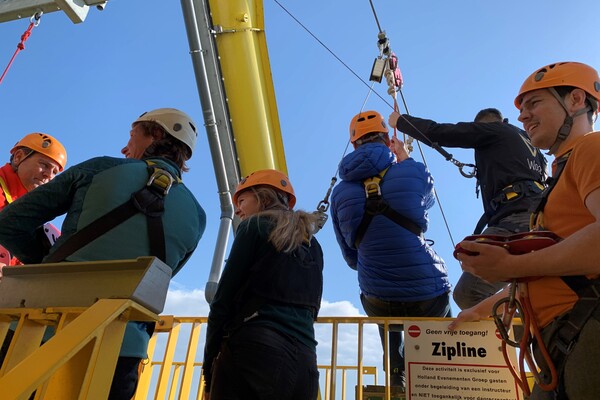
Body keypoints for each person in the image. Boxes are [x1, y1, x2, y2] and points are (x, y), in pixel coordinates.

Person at [0, 108, 206, 400]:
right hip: (121, 357)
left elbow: (8, 224)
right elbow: (158, 277)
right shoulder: (198, 217)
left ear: (156, 135)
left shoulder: (100, 169)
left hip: (39, 335)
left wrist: (47, 266)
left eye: (132, 136)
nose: (125, 147)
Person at [451, 61, 600, 399]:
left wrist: (511, 267)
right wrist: (478, 309)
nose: (522, 116)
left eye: (534, 103)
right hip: (560, 345)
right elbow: (550, 272)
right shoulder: (555, 184)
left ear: (576, 100)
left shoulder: (591, 149)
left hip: (585, 335)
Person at [330, 110, 452, 387]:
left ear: (354, 145)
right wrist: (404, 158)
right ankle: (445, 374)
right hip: (427, 296)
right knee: (440, 312)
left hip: (378, 299)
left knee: (383, 306)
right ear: (388, 139)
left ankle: (397, 374)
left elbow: (351, 257)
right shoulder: (412, 170)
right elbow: (426, 204)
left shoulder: (339, 193)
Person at [388, 107, 548, 310]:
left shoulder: (495, 130)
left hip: (515, 219)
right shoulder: (531, 147)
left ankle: (509, 338)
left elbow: (445, 132)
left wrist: (402, 122)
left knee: (468, 294)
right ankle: (525, 331)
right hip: (541, 219)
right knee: (526, 286)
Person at [202, 169, 323, 400]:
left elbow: (222, 303)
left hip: (255, 349)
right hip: (306, 360)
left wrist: (208, 373)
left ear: (264, 198)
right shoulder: (314, 245)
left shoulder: (254, 227)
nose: (237, 210)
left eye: (242, 200)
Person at [0, 132, 67, 266]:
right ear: (18, 157)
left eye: (55, 172)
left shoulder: (37, 218)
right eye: (44, 165)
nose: (48, 174)